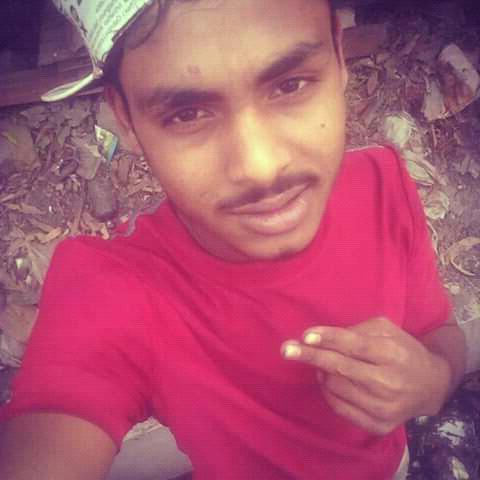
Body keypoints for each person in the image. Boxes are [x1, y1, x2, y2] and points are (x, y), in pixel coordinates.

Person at [0, 0, 466, 479]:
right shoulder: (118, 292)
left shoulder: (381, 183)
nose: (260, 168)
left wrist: (431, 381)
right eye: (187, 114)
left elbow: (439, 332)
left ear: (340, 56)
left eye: (290, 84)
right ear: (126, 118)